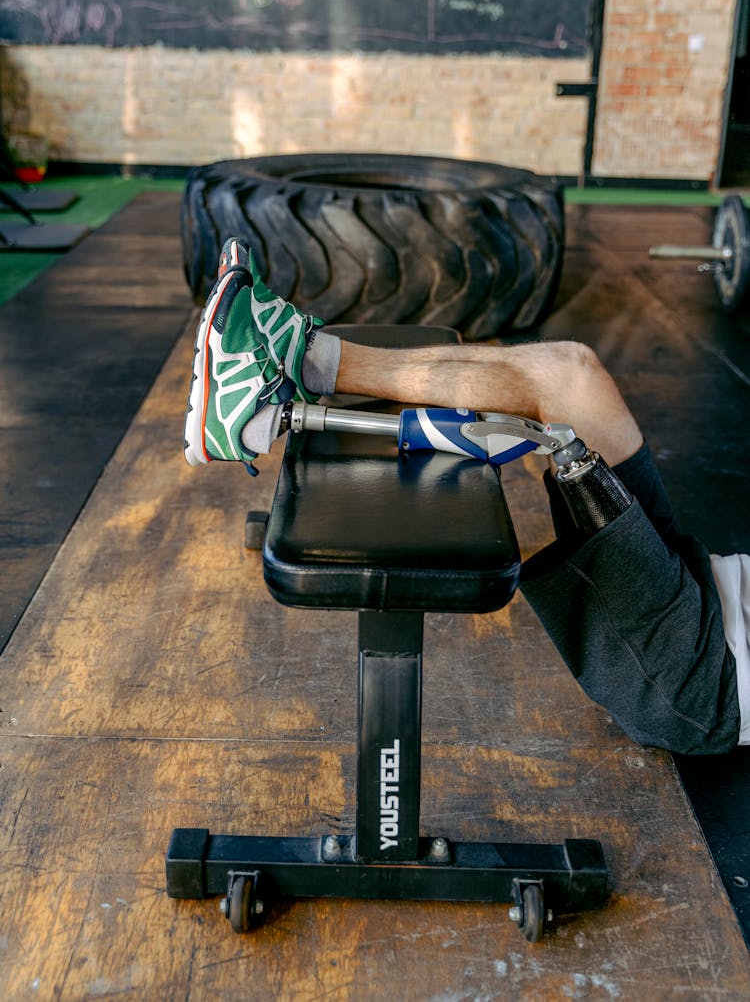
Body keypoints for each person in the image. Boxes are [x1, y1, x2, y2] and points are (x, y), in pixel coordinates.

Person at [184, 239, 749, 756]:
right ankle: (301, 358)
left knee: (560, 418)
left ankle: (254, 401)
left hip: (700, 677)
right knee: (573, 372)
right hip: (710, 587)